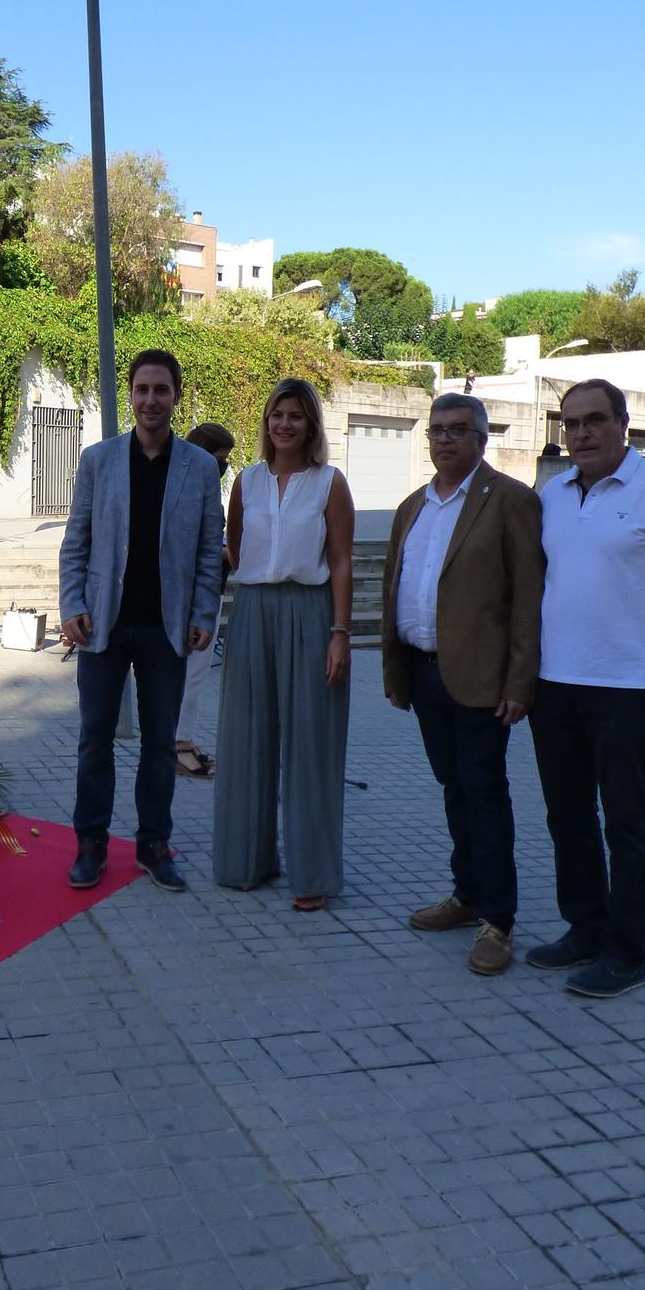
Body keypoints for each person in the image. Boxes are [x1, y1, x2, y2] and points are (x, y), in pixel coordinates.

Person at [529, 379, 645, 1000]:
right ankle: (585, 926)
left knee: (628, 824)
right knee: (568, 817)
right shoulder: (553, 493)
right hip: (556, 684)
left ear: (622, 424)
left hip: (628, 689)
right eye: (569, 423)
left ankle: (628, 953)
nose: (579, 434)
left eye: (593, 421)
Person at [381, 393, 543, 976]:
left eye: (457, 431)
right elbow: (397, 586)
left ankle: (498, 920)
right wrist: (395, 670)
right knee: (454, 786)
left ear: (481, 438)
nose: (444, 440)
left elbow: (528, 597)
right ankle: (466, 892)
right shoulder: (411, 507)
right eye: (436, 432)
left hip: (481, 680)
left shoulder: (510, 501)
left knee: (484, 791)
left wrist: (520, 681)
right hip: (425, 674)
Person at [59, 349, 224, 893]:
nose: (151, 399)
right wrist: (71, 604)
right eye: (142, 389)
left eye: (161, 390)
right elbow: (75, 541)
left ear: (176, 396)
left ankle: (154, 845)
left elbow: (208, 550)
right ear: (130, 394)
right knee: (94, 739)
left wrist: (203, 612)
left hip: (166, 628)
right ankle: (91, 845)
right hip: (103, 624)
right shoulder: (98, 460)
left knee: (159, 744)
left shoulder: (199, 467)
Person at [211, 379, 354, 911]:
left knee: (310, 744)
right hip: (253, 613)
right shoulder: (246, 481)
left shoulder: (329, 483)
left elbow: (341, 561)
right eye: (277, 415)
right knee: (246, 739)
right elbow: (234, 545)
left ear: (311, 424)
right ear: (266, 422)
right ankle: (247, 862)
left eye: (296, 416)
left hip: (311, 613)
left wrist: (340, 633)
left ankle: (312, 875)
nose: (284, 425)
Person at [173, 422, 235, 779]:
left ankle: (184, 738)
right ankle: (179, 744)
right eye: (219, 460)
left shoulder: (200, 484)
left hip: (203, 594)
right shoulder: (189, 486)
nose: (222, 468)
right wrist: (225, 552)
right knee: (190, 675)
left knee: (192, 676)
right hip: (193, 599)